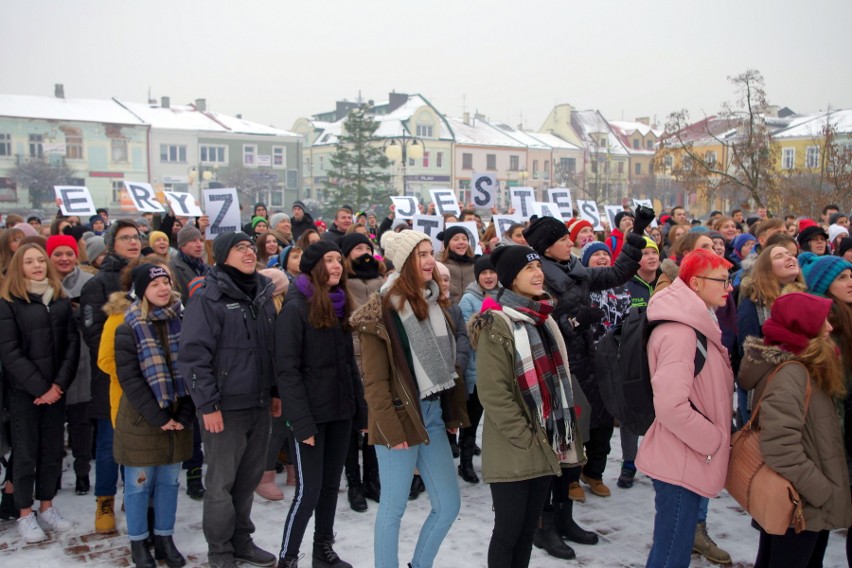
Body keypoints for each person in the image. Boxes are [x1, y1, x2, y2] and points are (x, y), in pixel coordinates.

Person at [523, 209, 650, 554]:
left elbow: (619, 271)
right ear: (546, 248)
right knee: (555, 449)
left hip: (585, 368)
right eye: (563, 239)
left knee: (572, 448)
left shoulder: (576, 271)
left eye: (568, 237)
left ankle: (564, 517)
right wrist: (577, 321)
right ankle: (544, 525)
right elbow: (536, 327)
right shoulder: (537, 279)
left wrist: (636, 232)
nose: (570, 242)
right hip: (555, 373)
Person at [352, 229, 469, 568]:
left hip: (431, 416)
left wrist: (450, 416)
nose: (430, 260)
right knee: (393, 508)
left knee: (448, 505)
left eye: (431, 252)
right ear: (404, 263)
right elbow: (375, 383)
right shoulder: (380, 314)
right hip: (399, 420)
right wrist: (391, 430)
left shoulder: (435, 304)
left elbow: (447, 370)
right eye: (421, 254)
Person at [468, 245, 584, 568]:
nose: (538, 274)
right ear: (511, 278)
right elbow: (493, 393)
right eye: (529, 269)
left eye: (538, 267)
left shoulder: (544, 318)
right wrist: (525, 436)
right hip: (515, 444)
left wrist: (548, 434)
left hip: (544, 439)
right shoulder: (497, 323)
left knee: (527, 532)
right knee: (507, 532)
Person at [178, 232, 279, 568]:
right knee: (221, 483)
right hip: (224, 408)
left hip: (259, 403)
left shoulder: (263, 292)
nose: (249, 252)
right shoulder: (209, 297)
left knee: (248, 479)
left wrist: (275, 392)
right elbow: (194, 356)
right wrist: (207, 405)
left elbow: (271, 349)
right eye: (240, 248)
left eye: (251, 247)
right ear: (222, 256)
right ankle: (219, 550)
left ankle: (241, 540)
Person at [738, 292, 852, 567]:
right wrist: (823, 491)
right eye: (822, 322)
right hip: (799, 503)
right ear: (803, 326)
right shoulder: (792, 373)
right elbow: (780, 447)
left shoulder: (805, 366)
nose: (830, 327)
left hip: (803, 501)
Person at [636, 249, 734, 568]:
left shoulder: (695, 322)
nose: (729, 287)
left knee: (673, 547)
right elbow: (670, 405)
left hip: (685, 453)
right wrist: (712, 440)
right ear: (695, 282)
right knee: (670, 554)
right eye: (721, 280)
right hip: (682, 456)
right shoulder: (681, 331)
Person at [275, 241, 366, 567]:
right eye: (329, 260)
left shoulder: (339, 305)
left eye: (338, 260)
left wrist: (359, 411)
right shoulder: (296, 308)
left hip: (339, 412)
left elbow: (347, 365)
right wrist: (301, 423)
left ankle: (322, 549)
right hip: (310, 416)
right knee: (307, 492)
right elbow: (287, 371)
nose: (337, 266)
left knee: (330, 488)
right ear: (314, 266)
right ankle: (287, 557)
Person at [113, 263, 194, 568]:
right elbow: (130, 380)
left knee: (169, 483)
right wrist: (160, 417)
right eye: (154, 284)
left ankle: (165, 538)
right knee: (139, 484)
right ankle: (138, 541)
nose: (162, 289)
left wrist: (185, 412)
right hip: (142, 420)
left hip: (178, 419)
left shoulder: (183, 321)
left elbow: (194, 369)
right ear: (141, 291)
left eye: (165, 282)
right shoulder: (128, 327)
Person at [0, 244, 80, 543]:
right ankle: (24, 512)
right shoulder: (9, 302)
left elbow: (72, 346)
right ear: (19, 267)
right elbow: (10, 352)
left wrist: (57, 386)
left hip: (55, 392)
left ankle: (47, 506)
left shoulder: (59, 300)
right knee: (25, 452)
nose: (37, 266)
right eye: (29, 261)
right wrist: (41, 388)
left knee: (51, 451)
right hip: (25, 393)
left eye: (40, 261)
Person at [81, 219, 142, 533]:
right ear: (111, 244)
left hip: (147, 379)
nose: (133, 242)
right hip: (111, 378)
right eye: (125, 238)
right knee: (108, 443)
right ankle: (104, 500)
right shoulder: (98, 284)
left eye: (136, 237)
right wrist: (127, 366)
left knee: (140, 443)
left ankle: (135, 496)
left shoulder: (146, 276)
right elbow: (93, 337)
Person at [340, 233, 385, 511]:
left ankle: (372, 479)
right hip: (351, 361)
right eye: (358, 248)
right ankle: (353, 483)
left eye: (368, 247)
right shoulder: (343, 284)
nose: (364, 253)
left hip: (376, 359)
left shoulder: (382, 282)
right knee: (351, 428)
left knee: (374, 423)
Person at [47, 235, 95, 495]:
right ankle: (51, 475)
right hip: (51, 362)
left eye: (69, 253)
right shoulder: (41, 284)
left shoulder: (89, 283)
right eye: (58, 254)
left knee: (81, 422)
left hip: (84, 360)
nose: (64, 259)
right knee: (53, 426)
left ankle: (82, 473)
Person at [457, 255, 501, 484]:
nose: (489, 276)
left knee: (496, 421)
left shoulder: (504, 295)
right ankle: (465, 464)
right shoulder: (468, 299)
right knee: (471, 421)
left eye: (492, 272)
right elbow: (467, 336)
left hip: (499, 371)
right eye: (484, 273)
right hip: (477, 370)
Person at [438, 226, 476, 304]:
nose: (461, 242)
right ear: (447, 243)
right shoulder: (438, 264)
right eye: (456, 239)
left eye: (464, 239)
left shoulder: (475, 263)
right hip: (447, 309)